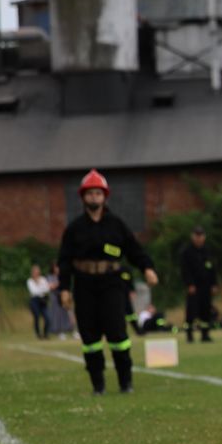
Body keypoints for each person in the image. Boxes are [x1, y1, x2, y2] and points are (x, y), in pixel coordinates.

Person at [56, 169, 159, 396]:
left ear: (105, 196)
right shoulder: (74, 229)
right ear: (83, 197)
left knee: (118, 336)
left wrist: (147, 268)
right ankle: (98, 385)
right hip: (84, 286)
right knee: (90, 339)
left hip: (112, 286)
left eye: (98, 193)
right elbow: (64, 262)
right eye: (90, 193)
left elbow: (134, 250)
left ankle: (126, 383)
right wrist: (64, 289)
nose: (94, 197)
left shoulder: (116, 225)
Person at [178, 225, 218, 345]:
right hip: (194, 287)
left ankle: (205, 334)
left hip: (206, 286)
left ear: (204, 237)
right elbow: (185, 270)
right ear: (193, 236)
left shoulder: (207, 251)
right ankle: (189, 335)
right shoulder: (187, 252)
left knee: (206, 310)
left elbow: (212, 269)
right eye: (197, 235)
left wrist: (214, 284)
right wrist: (189, 284)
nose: (199, 238)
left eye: (201, 235)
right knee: (191, 311)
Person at [26, 264, 53, 340]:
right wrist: (42, 288)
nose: (36, 273)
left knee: (47, 318)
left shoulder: (43, 279)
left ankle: (46, 334)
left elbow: (47, 289)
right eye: (35, 272)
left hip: (43, 300)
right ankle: (38, 334)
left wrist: (42, 287)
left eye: (37, 272)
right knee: (37, 317)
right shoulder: (30, 281)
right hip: (35, 301)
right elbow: (34, 291)